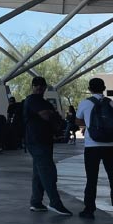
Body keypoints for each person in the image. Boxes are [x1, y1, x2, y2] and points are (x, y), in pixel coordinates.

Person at [76, 78, 113, 220]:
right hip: (111, 146)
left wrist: (88, 126)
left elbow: (78, 120)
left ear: (89, 88)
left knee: (91, 178)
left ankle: (89, 209)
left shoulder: (85, 103)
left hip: (92, 146)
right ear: (104, 88)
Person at [23, 76, 72, 216]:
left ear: (45, 87)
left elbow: (53, 115)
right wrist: (51, 113)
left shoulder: (40, 102)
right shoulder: (33, 100)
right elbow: (47, 115)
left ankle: (36, 202)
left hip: (41, 140)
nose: (38, 87)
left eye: (41, 85)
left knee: (39, 172)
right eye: (36, 85)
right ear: (32, 87)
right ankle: (55, 202)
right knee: (47, 171)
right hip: (37, 140)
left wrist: (51, 114)